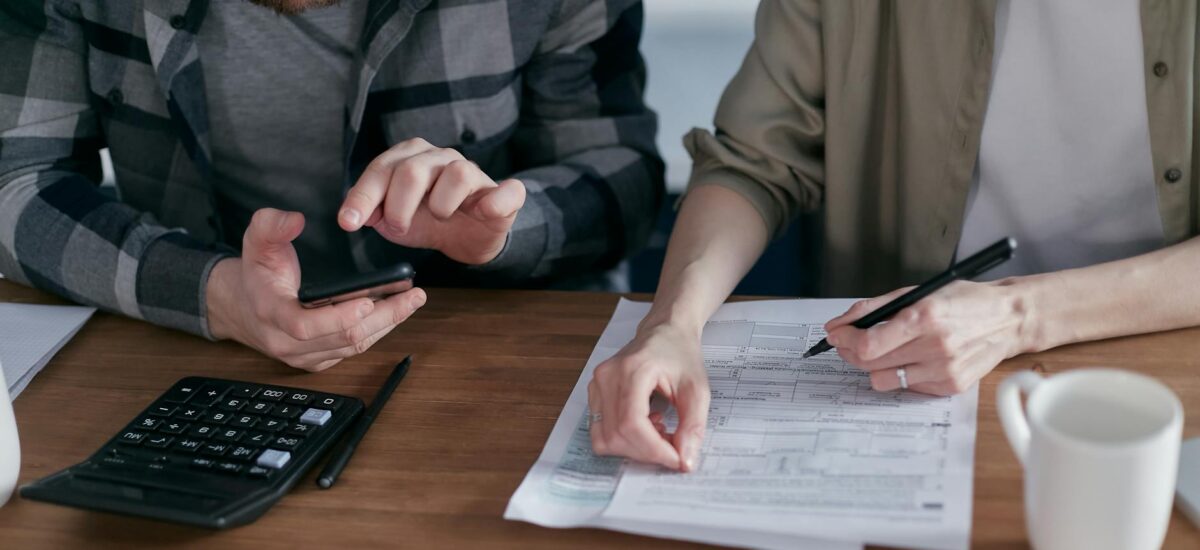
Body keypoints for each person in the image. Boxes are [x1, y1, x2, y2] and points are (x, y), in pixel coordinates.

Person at [588, 0, 1200, 472]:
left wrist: (1020, 314)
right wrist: (672, 324)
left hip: (1162, 353)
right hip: (905, 372)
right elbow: (755, 158)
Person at [0, 0, 664, 371]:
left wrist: (504, 228)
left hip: (495, 355)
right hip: (196, 356)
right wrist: (216, 293)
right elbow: (17, 181)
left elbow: (623, 178)